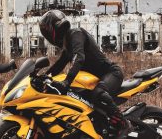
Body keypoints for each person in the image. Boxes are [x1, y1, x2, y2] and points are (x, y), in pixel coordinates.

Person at [39, 10, 131, 139]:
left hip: (111, 73)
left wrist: (67, 81)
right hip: (94, 79)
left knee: (98, 93)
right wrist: (44, 77)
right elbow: (59, 65)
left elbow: (79, 57)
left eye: (46, 30)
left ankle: (123, 124)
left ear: (54, 27)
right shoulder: (67, 44)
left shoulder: (76, 34)